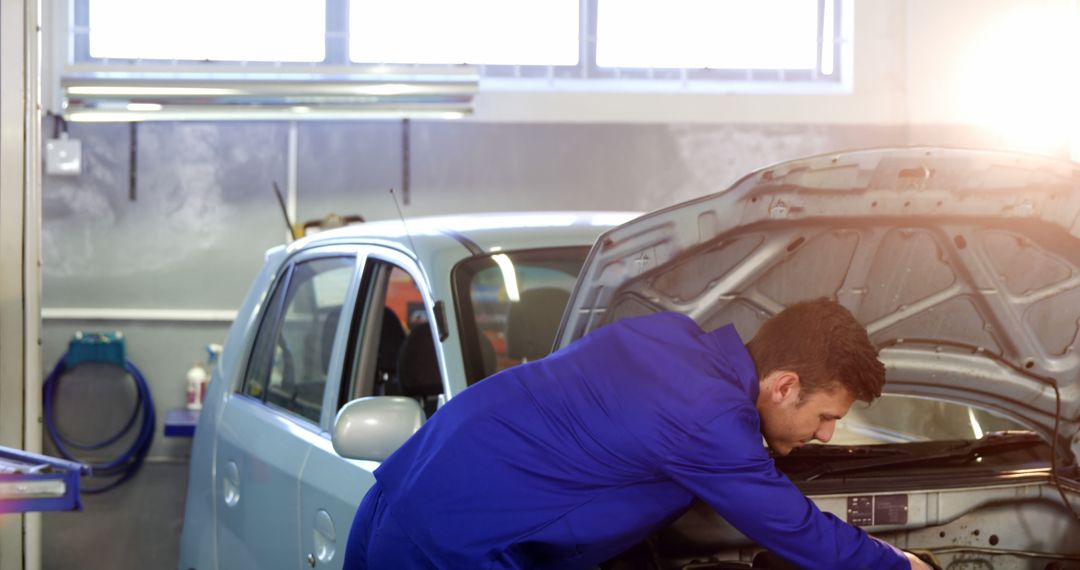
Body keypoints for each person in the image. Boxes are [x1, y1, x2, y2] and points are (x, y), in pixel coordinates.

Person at [343, 298, 932, 569]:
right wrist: (904, 566)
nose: (828, 435)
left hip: (399, 500)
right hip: (451, 548)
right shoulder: (709, 417)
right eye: (826, 415)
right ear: (782, 386)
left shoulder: (671, 338)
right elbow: (795, 530)